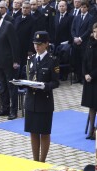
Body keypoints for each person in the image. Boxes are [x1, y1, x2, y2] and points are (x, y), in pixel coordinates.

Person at [24, 31, 60, 162]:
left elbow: (56, 82)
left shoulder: (52, 60)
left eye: (39, 44)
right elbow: (28, 77)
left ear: (46, 44)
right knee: (33, 132)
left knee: (44, 132)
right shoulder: (31, 59)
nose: (36, 46)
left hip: (44, 102)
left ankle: (42, 160)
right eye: (35, 44)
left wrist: (44, 86)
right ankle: (35, 160)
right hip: (31, 101)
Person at [0, 9, 20, 120]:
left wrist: (15, 61)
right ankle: (5, 108)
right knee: (3, 87)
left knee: (11, 87)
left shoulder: (8, 26)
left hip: (9, 62)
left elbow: (14, 44)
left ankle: (13, 111)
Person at [81, 23, 97, 140]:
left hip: (95, 78)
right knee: (91, 105)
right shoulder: (90, 43)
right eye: (95, 32)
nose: (96, 34)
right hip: (89, 79)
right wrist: (86, 73)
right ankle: (91, 130)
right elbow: (85, 60)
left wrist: (91, 75)